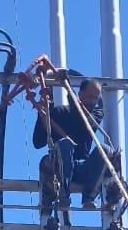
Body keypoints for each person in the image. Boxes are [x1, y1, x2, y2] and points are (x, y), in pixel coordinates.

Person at [32, 77, 111, 210]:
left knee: (105, 150)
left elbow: (83, 122)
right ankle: (63, 194)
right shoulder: (59, 112)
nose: (92, 102)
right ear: (80, 94)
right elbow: (38, 142)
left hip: (83, 168)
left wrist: (68, 90)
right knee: (64, 144)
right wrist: (42, 114)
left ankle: (88, 198)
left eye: (95, 98)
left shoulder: (96, 114)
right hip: (60, 168)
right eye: (90, 96)